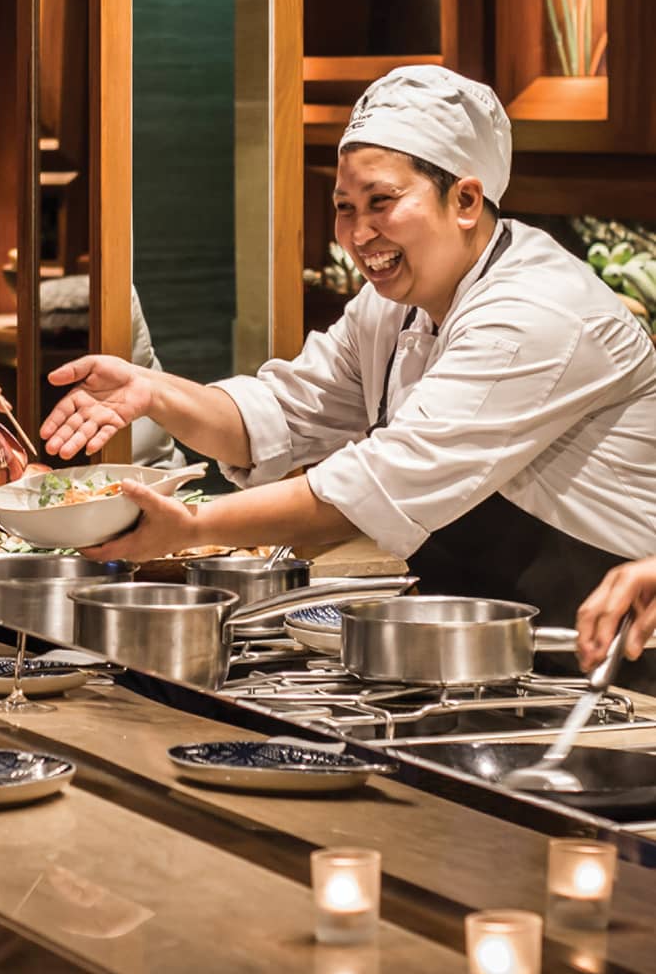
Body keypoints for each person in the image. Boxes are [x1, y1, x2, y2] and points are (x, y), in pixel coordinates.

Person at [40, 65, 656, 687]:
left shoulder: (535, 315)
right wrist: (155, 394)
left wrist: (193, 529)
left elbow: (379, 482)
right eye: (344, 207)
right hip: (480, 649)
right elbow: (282, 414)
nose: (359, 235)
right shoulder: (393, 303)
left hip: (610, 661)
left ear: (466, 201)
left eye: (381, 203)